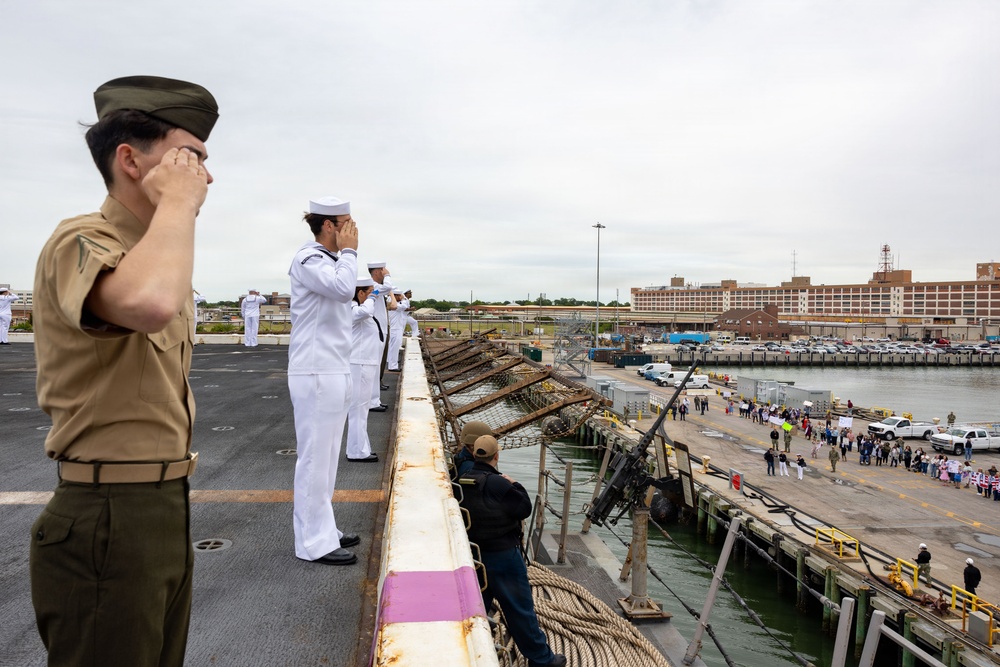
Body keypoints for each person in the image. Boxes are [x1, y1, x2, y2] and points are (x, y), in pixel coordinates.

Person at [29, 75, 217, 666]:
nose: (204, 177)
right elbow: (147, 304)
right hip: (106, 513)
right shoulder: (80, 239)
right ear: (130, 160)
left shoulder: (158, 254)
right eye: (190, 157)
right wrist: (180, 205)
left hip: (164, 505)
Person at [288, 196, 362, 566]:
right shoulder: (309, 259)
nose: (353, 230)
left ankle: (324, 528)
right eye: (346, 222)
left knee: (328, 458)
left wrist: (345, 255)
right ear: (329, 226)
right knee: (315, 458)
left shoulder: (332, 261)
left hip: (334, 368)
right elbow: (342, 290)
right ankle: (311, 542)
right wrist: (350, 253)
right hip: (315, 371)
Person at [457, 435, 566, 667]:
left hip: (475, 558)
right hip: (504, 557)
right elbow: (524, 509)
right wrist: (514, 483)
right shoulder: (498, 482)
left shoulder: (462, 480)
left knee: (477, 610)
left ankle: (470, 655)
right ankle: (542, 660)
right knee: (520, 610)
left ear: (474, 454)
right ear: (496, 455)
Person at [346, 277, 383, 463]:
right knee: (358, 409)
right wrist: (372, 298)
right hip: (359, 364)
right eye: (369, 292)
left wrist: (372, 294)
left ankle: (359, 448)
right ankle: (356, 451)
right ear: (360, 293)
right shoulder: (354, 308)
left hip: (364, 363)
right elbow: (365, 311)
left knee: (361, 409)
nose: (373, 298)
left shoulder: (359, 308)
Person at [367, 261, 393, 409]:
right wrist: (388, 275)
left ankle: (374, 400)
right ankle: (371, 401)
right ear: (377, 271)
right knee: (373, 366)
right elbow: (388, 287)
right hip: (376, 330)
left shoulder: (375, 286)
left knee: (376, 366)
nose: (384, 273)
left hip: (380, 330)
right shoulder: (373, 285)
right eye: (382, 271)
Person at [386, 289, 406, 371]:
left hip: (395, 328)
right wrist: (404, 298)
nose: (401, 297)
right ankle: (393, 366)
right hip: (396, 328)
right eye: (399, 295)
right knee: (395, 347)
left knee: (392, 347)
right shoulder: (394, 304)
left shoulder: (392, 302)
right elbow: (405, 306)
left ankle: (390, 362)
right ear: (396, 296)